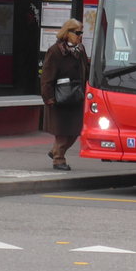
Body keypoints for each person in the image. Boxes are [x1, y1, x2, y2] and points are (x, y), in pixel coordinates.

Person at [41, 18, 89, 171]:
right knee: (62, 132)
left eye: (81, 33)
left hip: (76, 96)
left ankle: (55, 151)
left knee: (76, 131)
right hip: (59, 98)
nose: (80, 36)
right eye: (77, 33)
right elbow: (47, 77)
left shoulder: (80, 50)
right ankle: (58, 159)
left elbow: (86, 71)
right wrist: (48, 98)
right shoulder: (55, 51)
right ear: (67, 33)